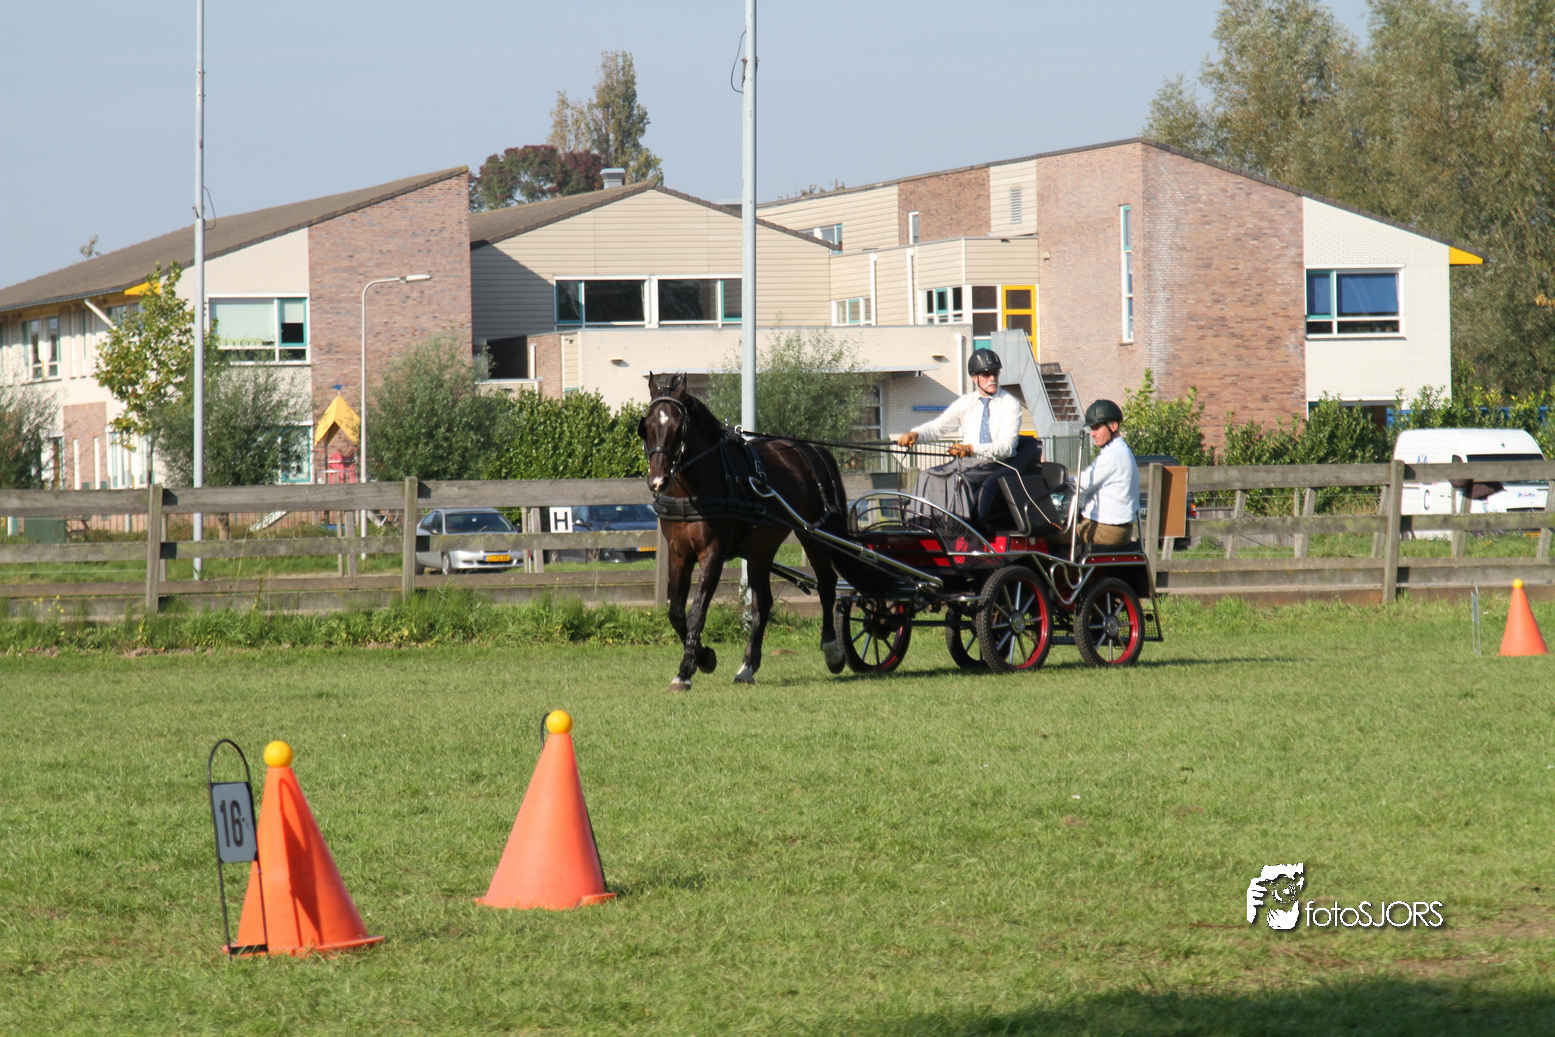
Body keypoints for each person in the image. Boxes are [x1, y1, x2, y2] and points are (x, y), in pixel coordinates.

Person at [894, 348, 1030, 527]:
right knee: (925, 476)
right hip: (967, 463)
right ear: (974, 378)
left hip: (995, 465)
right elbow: (937, 427)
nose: (992, 378)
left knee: (958, 479)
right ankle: (922, 526)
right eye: (986, 374)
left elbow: (1006, 447)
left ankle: (959, 530)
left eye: (995, 374)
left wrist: (971, 449)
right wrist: (915, 434)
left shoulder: (1010, 404)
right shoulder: (965, 403)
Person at [1069, 398, 1140, 547]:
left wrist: (1055, 485)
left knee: (1052, 535)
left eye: (1097, 428)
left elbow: (1081, 484)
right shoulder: (1119, 451)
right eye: (1091, 428)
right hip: (1113, 528)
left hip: (1109, 530)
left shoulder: (1113, 456)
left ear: (1113, 426)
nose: (1092, 433)